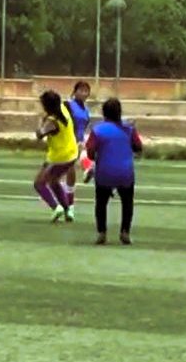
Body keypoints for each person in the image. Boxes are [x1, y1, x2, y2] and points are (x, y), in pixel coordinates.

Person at [85, 98, 143, 245]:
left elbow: (90, 151)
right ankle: (125, 231)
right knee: (127, 202)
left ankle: (102, 232)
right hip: (125, 172)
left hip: (104, 171)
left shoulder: (98, 130)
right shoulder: (129, 129)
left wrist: (96, 157)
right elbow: (138, 147)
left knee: (101, 202)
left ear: (104, 113)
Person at [34, 90, 78, 223]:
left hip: (59, 157)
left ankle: (56, 207)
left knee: (39, 183)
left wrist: (40, 121)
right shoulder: (64, 108)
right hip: (71, 153)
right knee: (54, 181)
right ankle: (67, 210)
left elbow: (39, 134)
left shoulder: (52, 121)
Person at [62, 81, 92, 215]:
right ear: (75, 92)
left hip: (79, 140)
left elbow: (84, 126)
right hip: (68, 140)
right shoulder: (68, 105)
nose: (84, 93)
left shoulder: (86, 110)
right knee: (69, 170)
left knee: (71, 170)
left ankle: (69, 206)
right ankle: (68, 204)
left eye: (86, 91)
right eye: (81, 90)